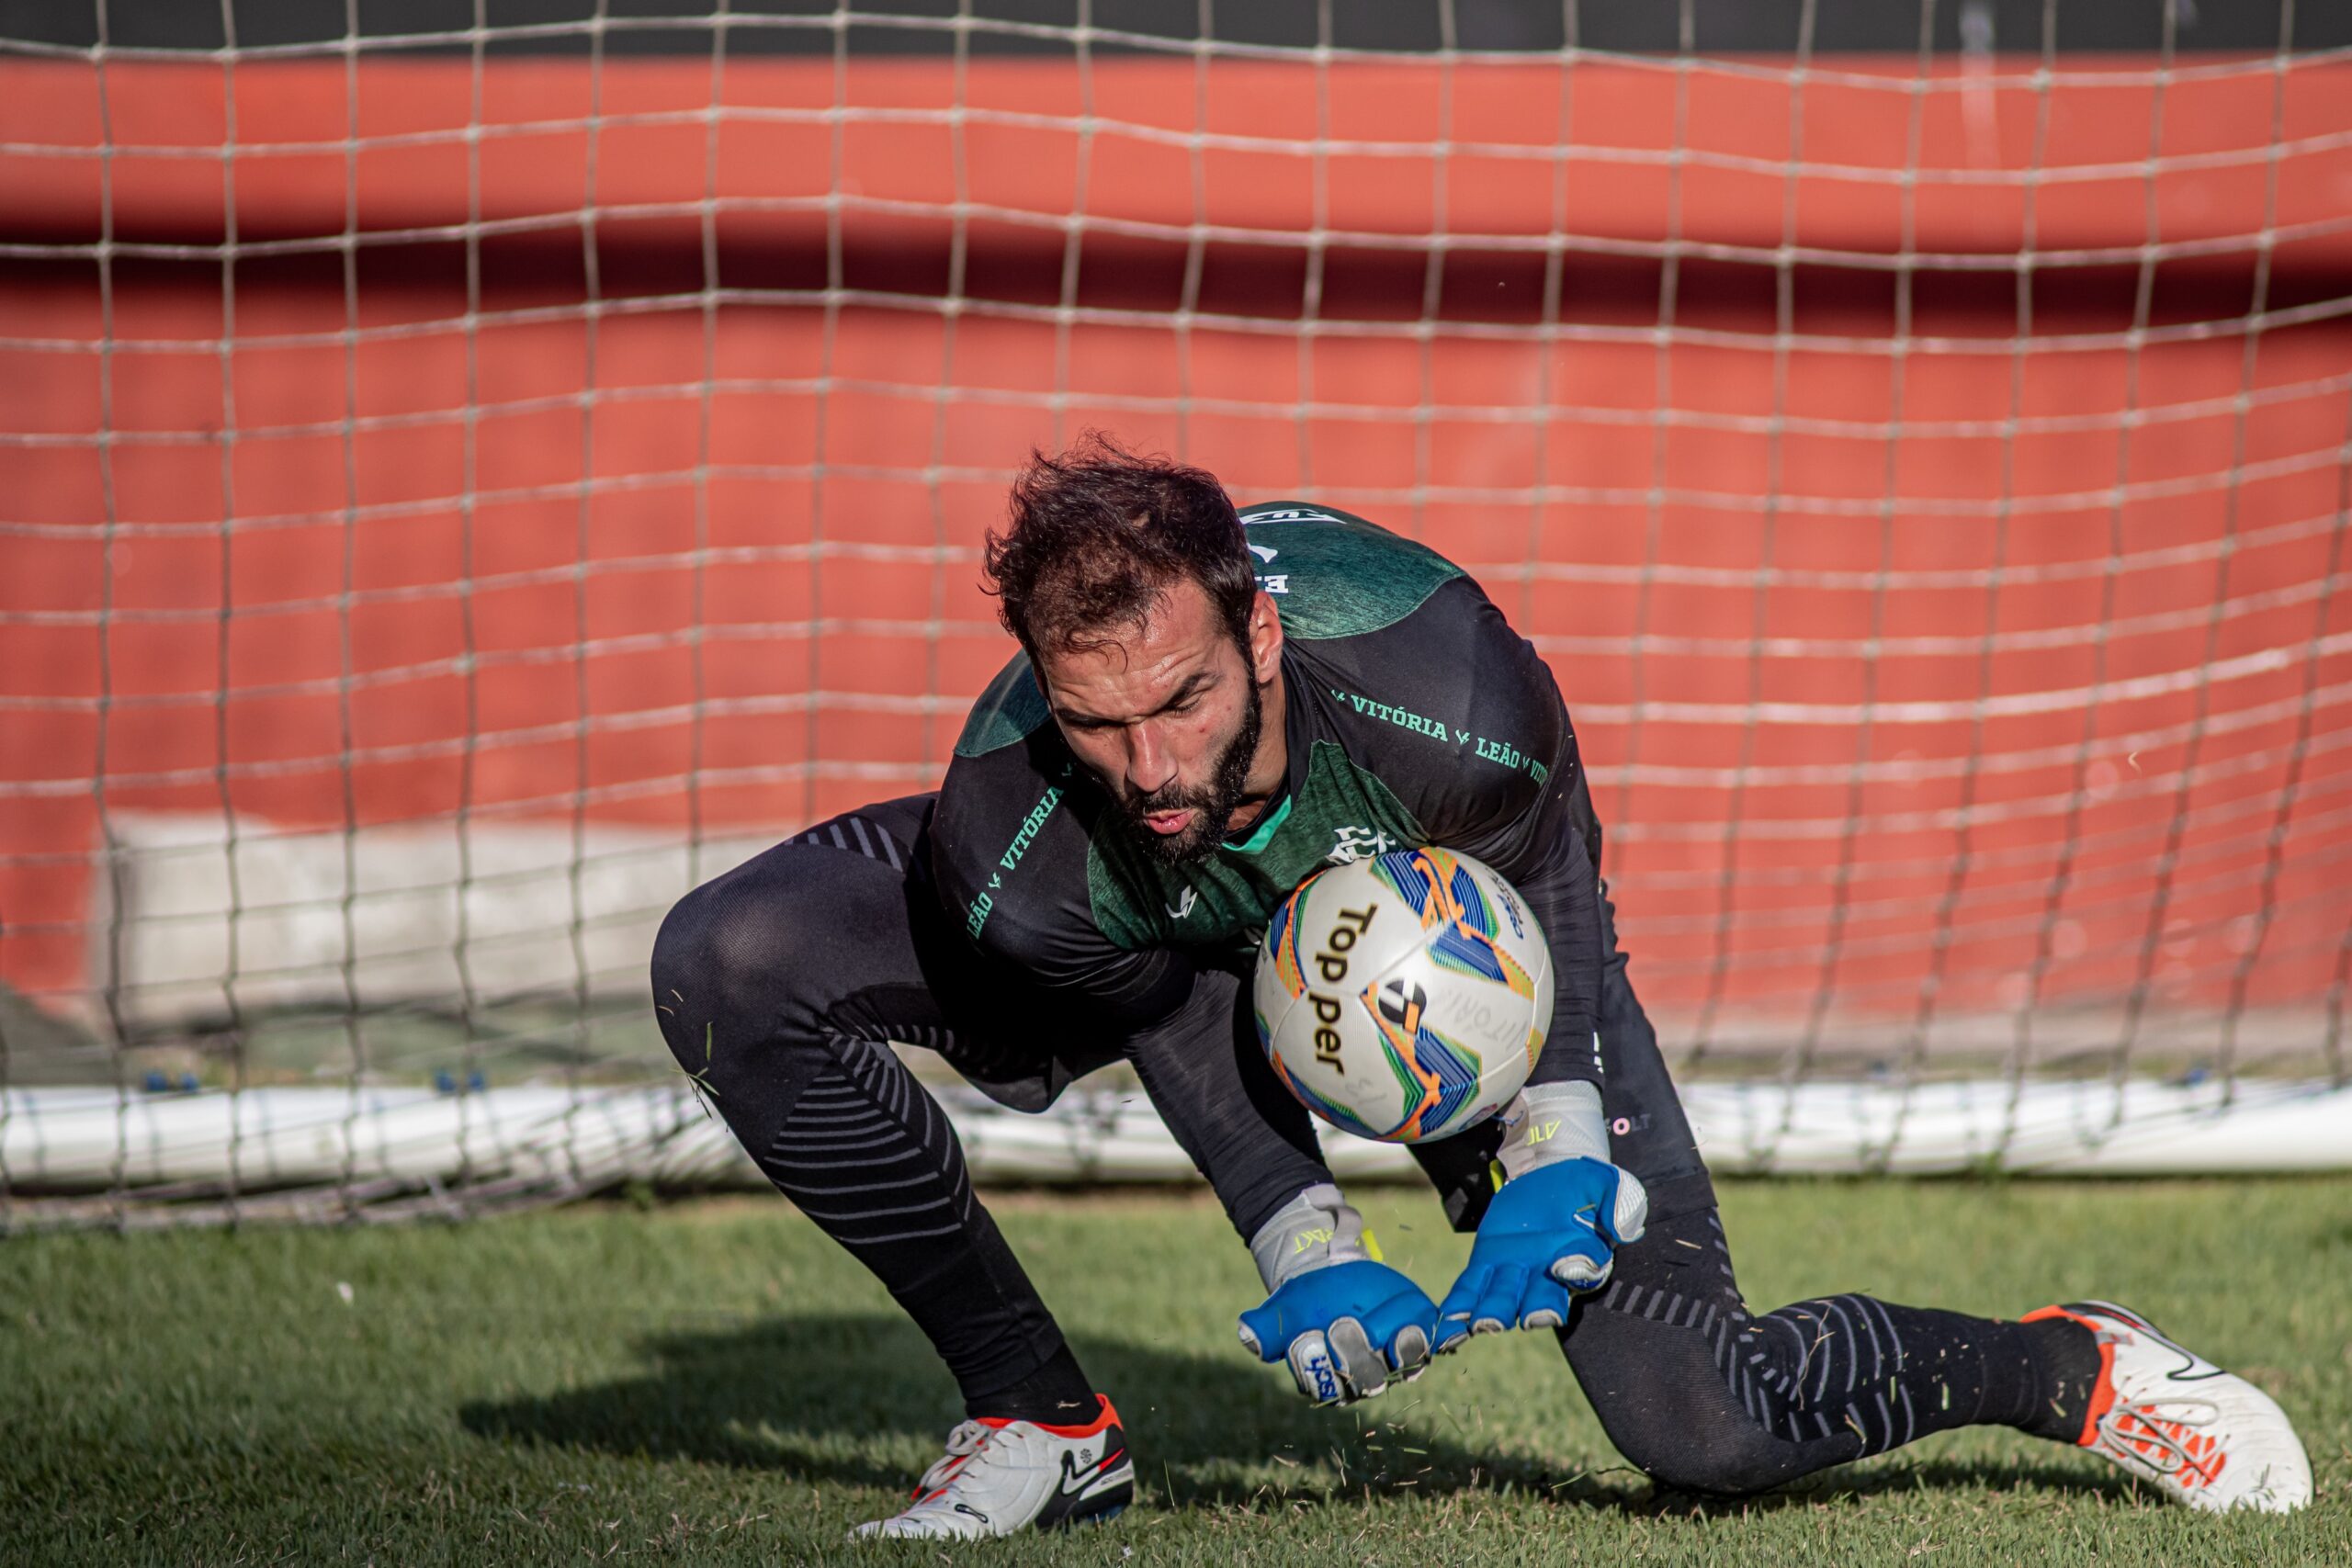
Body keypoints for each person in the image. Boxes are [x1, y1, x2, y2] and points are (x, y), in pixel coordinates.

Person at [650, 437, 2312, 1539]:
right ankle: (1043, 1424)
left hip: (1472, 957)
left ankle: (2077, 1367)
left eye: (1179, 702)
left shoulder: (1444, 679)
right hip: (1185, 959)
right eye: (1096, 723)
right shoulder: (1018, 829)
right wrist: (1302, 1239)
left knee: (1701, 1424)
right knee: (732, 962)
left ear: (1264, 633)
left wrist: (1561, 1135)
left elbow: (1555, 857)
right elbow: (1162, 1000)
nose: (1148, 765)